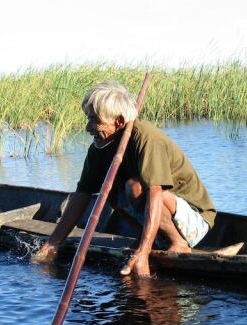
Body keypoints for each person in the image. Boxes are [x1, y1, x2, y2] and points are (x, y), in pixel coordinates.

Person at [32, 81, 216, 277]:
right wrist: (52, 244)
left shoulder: (146, 138)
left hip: (193, 222)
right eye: (88, 119)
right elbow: (81, 195)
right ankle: (145, 238)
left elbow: (155, 194)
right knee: (109, 187)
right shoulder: (99, 148)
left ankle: (176, 242)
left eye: (94, 120)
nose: (88, 127)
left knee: (133, 186)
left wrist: (143, 253)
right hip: (156, 218)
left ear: (119, 121)